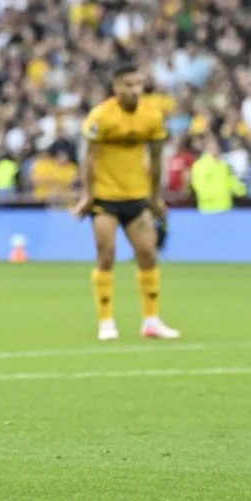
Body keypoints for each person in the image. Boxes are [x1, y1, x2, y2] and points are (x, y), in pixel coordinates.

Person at [73, 62, 181, 342]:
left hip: (137, 196)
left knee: (148, 254)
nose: (135, 90)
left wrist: (155, 196)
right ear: (116, 87)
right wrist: (87, 194)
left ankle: (151, 320)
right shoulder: (101, 117)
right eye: (129, 85)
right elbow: (89, 157)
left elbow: (157, 159)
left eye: (139, 84)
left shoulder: (152, 116)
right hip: (105, 198)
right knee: (106, 255)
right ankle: (106, 321)